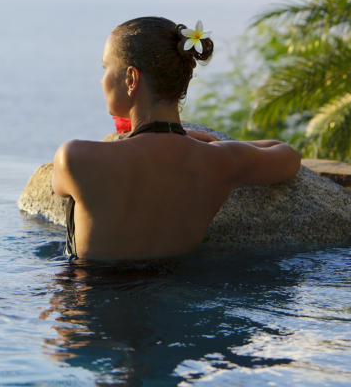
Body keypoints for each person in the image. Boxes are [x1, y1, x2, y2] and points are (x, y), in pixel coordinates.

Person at [52, 16, 301, 262]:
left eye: (105, 67)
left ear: (131, 79)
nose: (101, 79)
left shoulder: (75, 158)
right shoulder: (220, 163)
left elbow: (59, 186)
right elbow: (287, 155)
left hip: (89, 295)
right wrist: (216, 145)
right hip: (172, 290)